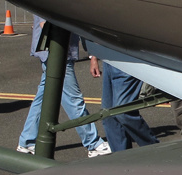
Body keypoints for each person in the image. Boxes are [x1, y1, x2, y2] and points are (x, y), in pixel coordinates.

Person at [18, 18, 110, 156]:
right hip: (57, 54)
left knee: (43, 98)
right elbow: (45, 24)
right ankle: (93, 143)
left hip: (57, 53)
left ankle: (27, 141)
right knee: (73, 100)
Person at [93, 58, 158, 152]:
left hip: (126, 59)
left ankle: (154, 149)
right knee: (108, 116)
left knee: (123, 112)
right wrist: (94, 57)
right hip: (108, 58)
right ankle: (121, 159)